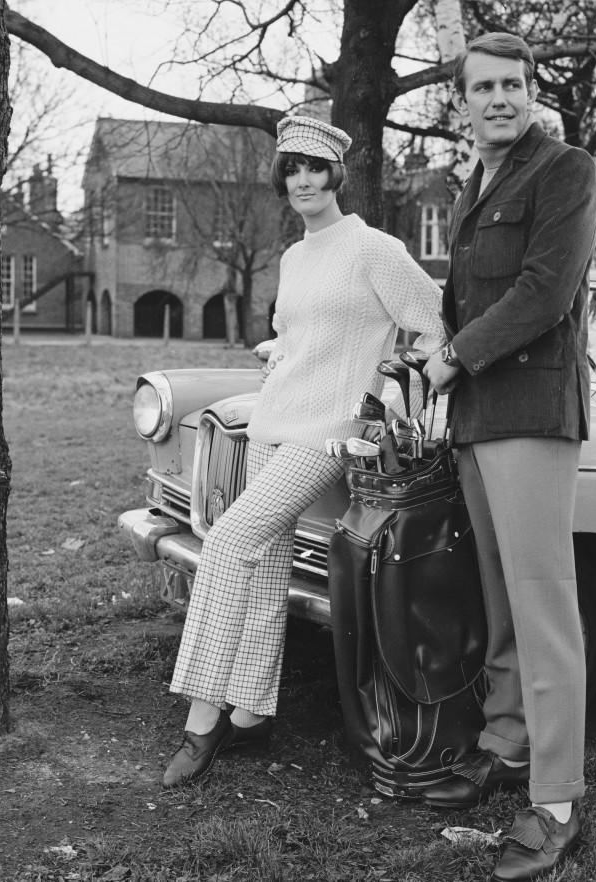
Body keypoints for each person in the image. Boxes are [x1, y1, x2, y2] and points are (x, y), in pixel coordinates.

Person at [162, 115, 445, 788]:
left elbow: (432, 328)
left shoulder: (374, 248)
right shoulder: (292, 257)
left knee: (228, 543)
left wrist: (380, 399)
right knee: (261, 566)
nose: (303, 181)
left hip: (325, 434)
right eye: (291, 169)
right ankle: (253, 717)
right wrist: (280, 355)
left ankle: (203, 721)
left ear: (338, 175)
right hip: (272, 422)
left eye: (315, 168)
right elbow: (293, 337)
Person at [422, 33, 596, 882]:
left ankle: (560, 799)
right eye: (483, 86)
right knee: (499, 597)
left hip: (530, 406)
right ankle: (506, 740)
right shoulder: (476, 181)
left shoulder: (563, 169)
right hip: (476, 415)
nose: (498, 97)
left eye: (512, 84)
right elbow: (463, 292)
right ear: (462, 101)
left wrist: (454, 355)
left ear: (529, 92)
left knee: (541, 600)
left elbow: (546, 290)